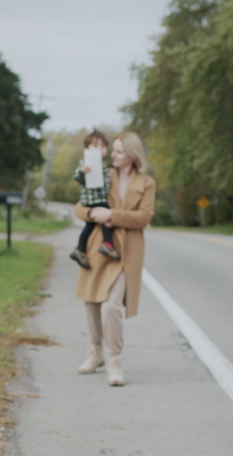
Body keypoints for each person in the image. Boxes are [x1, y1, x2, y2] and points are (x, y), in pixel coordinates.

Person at [73, 132, 155, 386]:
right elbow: (80, 206)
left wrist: (112, 214)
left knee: (111, 306)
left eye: (119, 151)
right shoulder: (102, 173)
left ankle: (115, 361)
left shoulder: (146, 183)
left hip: (126, 250)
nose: (113, 154)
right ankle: (95, 352)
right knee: (92, 301)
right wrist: (91, 213)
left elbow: (144, 217)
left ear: (132, 154)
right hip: (99, 246)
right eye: (114, 150)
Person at [70, 130, 118, 270]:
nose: (100, 150)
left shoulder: (103, 165)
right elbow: (76, 176)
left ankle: (80, 250)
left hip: (98, 198)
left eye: (103, 147)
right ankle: (107, 244)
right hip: (92, 199)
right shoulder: (86, 163)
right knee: (107, 217)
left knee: (88, 227)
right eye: (96, 146)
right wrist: (83, 171)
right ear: (87, 149)